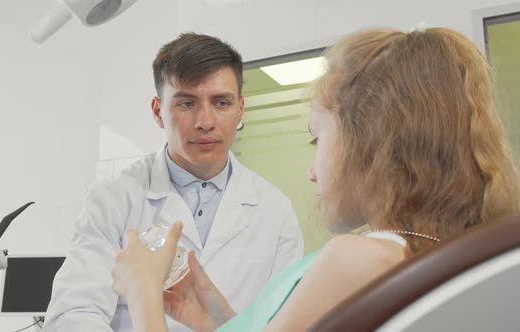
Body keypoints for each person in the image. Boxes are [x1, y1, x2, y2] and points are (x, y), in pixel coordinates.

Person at [111, 26, 520, 332]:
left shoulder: (359, 258)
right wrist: (214, 316)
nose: (310, 171)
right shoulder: (409, 250)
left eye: (315, 138)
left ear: (369, 142)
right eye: (186, 103)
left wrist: (143, 291)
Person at [43, 33, 304, 332]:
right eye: (186, 104)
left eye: (221, 102)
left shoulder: (276, 210)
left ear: (241, 109)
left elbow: (285, 322)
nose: (205, 121)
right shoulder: (113, 198)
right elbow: (74, 312)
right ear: (158, 112)